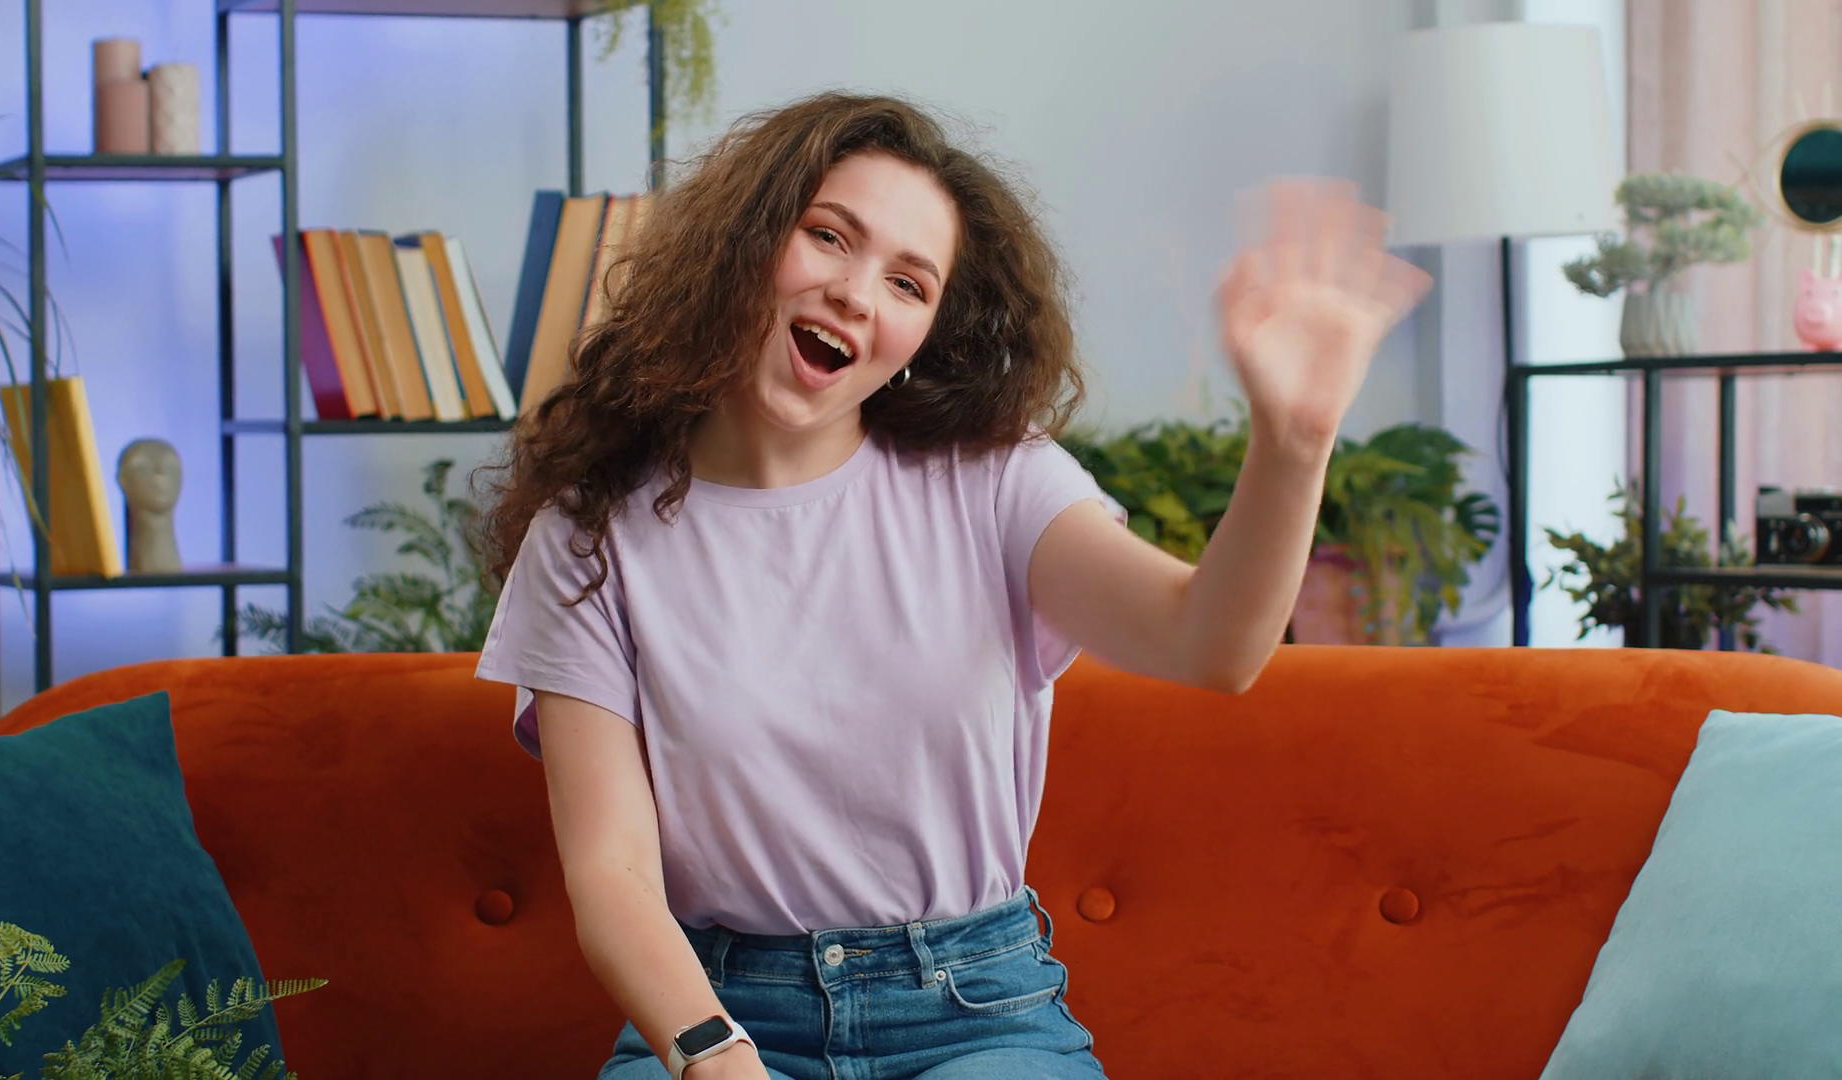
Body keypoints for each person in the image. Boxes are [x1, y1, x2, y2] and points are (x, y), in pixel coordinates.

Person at [472, 91, 1431, 1080]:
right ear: (742, 248)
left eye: (907, 283)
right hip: (713, 1007)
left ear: (926, 335)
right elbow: (614, 872)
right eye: (827, 236)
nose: (856, 294)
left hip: (975, 1013)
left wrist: (1295, 441)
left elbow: (1211, 644)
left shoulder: (998, 482)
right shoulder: (590, 534)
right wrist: (714, 1055)